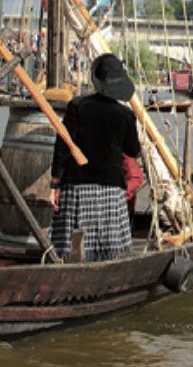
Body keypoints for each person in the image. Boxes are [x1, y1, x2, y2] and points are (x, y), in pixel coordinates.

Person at [49, 54, 141, 262]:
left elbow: (62, 146)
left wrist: (55, 183)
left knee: (70, 246)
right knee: (110, 250)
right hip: (110, 189)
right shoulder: (125, 115)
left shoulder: (77, 106)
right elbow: (133, 150)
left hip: (77, 187)